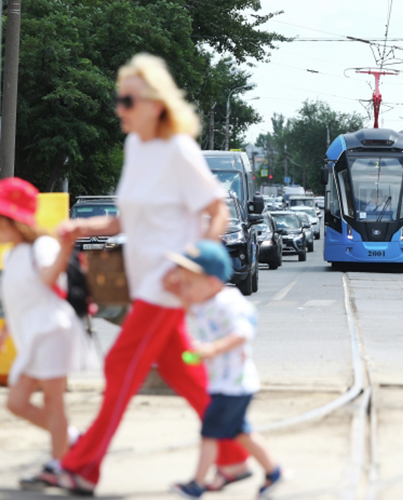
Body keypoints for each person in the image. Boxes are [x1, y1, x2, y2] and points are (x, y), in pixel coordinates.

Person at [53, 53, 250, 495]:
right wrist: (83, 226)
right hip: (144, 284)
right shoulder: (136, 147)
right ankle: (236, 457)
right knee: (184, 373)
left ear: (156, 104)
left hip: (167, 286)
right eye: (118, 100)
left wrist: (194, 264)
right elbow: (127, 220)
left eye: (128, 100)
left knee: (120, 364)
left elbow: (215, 210)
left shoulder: (178, 149)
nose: (119, 109)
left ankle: (83, 466)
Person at [164, 241, 282, 499]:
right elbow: (188, 307)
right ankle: (273, 472)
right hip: (226, 384)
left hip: (234, 385)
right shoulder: (205, 301)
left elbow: (243, 333)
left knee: (210, 433)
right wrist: (176, 288)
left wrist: (212, 349)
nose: (187, 289)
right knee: (241, 433)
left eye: (190, 283)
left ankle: (196, 483)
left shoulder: (228, 302)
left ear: (213, 281)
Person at [0, 178, 89, 489]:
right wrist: (6, 332)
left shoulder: (43, 246)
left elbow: (51, 280)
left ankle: (58, 462)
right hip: (34, 336)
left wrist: (65, 247)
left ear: (15, 220)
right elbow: (19, 299)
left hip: (53, 332)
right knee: (17, 403)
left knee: (53, 402)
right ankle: (74, 438)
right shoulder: (12, 254)